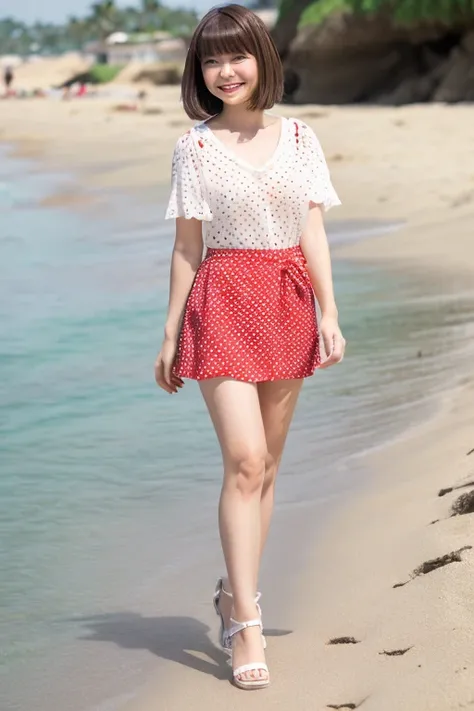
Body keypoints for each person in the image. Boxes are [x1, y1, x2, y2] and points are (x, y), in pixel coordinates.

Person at [154, 3, 346, 691]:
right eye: (211, 59)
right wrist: (172, 333)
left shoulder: (300, 137)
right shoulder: (194, 146)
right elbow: (186, 246)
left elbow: (314, 232)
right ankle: (246, 622)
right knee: (245, 459)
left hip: (289, 302)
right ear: (198, 72)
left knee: (267, 468)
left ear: (263, 58)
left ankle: (234, 590)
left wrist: (330, 312)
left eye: (236, 56)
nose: (225, 70)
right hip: (224, 300)